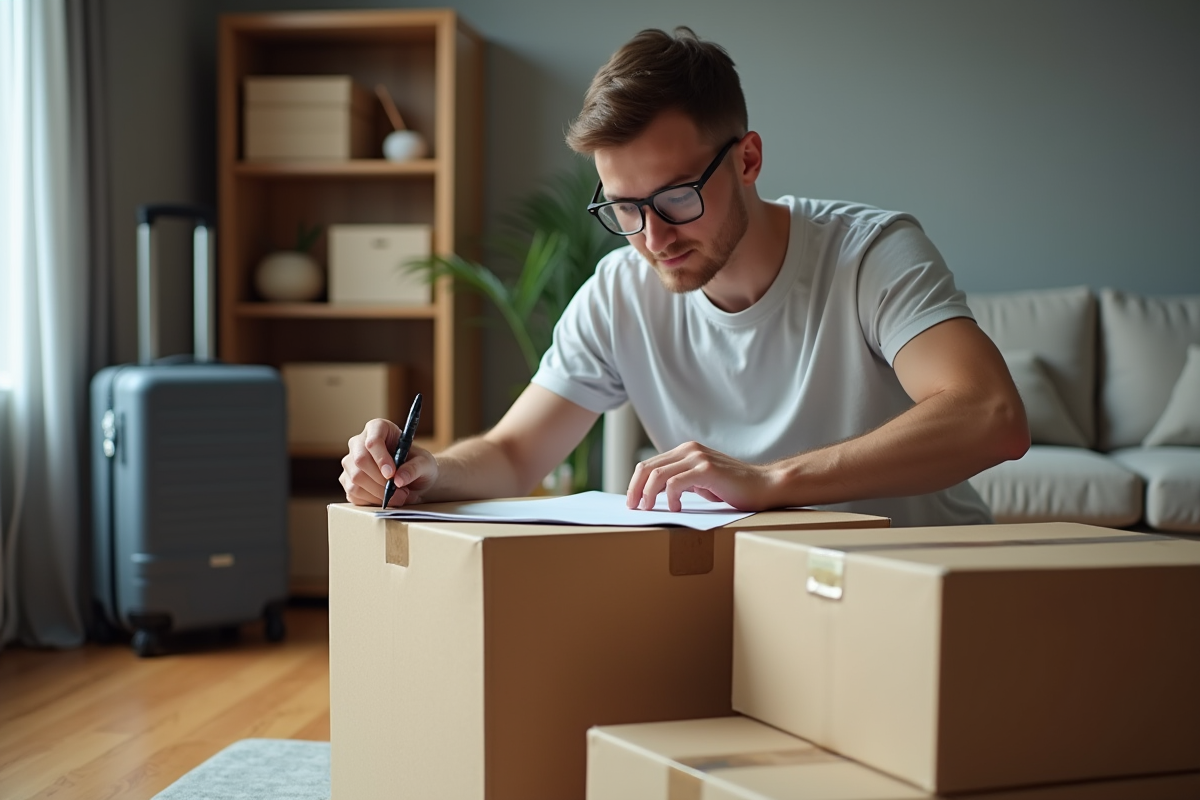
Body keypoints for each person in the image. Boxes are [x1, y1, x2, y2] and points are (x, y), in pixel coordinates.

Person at [340, 26, 1029, 526]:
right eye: (624, 209)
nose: (653, 237)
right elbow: (514, 452)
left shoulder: (870, 254)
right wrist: (428, 474)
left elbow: (992, 417)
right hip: (748, 591)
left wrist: (766, 481)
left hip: (918, 582)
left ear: (748, 159)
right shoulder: (618, 293)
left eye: (675, 198)